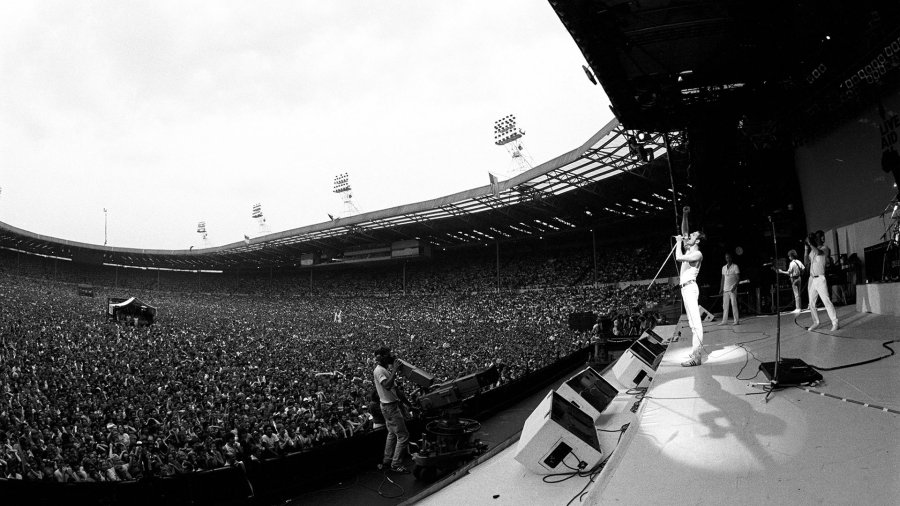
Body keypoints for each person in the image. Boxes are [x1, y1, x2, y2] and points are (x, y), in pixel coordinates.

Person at [675, 206, 705, 367]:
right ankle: (695, 352)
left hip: (690, 288)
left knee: (696, 324)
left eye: (693, 235)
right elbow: (684, 230)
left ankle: (697, 357)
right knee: (692, 324)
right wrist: (685, 215)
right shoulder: (689, 249)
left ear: (697, 241)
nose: (689, 236)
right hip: (685, 289)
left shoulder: (697, 254)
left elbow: (679, 257)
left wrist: (678, 242)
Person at [372, 346, 410, 473]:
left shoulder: (384, 369)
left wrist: (408, 404)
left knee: (392, 434)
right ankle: (396, 464)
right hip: (390, 407)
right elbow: (387, 386)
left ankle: (387, 461)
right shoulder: (379, 371)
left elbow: (396, 390)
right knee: (403, 436)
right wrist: (394, 370)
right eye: (388, 354)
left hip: (388, 406)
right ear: (382, 357)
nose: (391, 356)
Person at [805, 233, 839, 331]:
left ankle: (835, 322)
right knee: (811, 303)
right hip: (812, 279)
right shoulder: (812, 250)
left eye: (822, 236)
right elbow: (806, 261)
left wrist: (810, 244)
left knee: (826, 300)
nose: (822, 238)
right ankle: (816, 322)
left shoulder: (825, 248)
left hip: (820, 278)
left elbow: (819, 252)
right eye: (820, 236)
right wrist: (806, 248)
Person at [718, 253, 740, 325]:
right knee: (725, 306)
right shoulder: (723, 268)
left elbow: (738, 278)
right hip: (725, 289)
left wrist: (735, 287)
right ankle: (724, 321)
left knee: (734, 304)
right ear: (725, 259)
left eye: (729, 257)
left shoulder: (735, 266)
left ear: (731, 258)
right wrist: (721, 288)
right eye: (727, 258)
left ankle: (736, 321)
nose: (728, 259)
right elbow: (722, 279)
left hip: (732, 289)